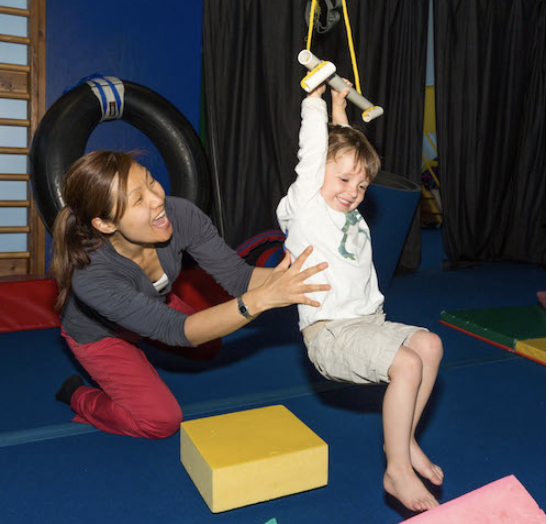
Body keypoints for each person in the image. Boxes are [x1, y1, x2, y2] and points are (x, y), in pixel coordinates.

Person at [51, 150, 330, 439]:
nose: (157, 198)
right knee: (160, 421)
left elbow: (239, 277)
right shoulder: (92, 276)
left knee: (210, 344)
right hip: (102, 337)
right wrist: (260, 300)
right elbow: (176, 330)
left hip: (157, 307)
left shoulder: (179, 214)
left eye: (150, 181)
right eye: (138, 199)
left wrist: (306, 277)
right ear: (106, 224)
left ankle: (150, 337)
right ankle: (78, 396)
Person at [276, 82, 444, 513]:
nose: (352, 190)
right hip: (330, 334)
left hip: (368, 324)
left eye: (362, 184)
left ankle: (403, 442)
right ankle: (397, 468)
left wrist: (338, 107)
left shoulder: (347, 211)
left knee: (429, 345)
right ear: (319, 176)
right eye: (344, 180)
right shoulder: (309, 206)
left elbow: (342, 150)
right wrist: (314, 101)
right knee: (407, 364)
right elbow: (316, 154)